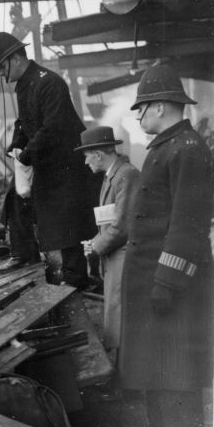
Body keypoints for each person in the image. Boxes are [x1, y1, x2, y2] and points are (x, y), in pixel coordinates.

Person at [119, 64, 214, 427]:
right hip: (155, 283)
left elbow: (187, 223)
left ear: (158, 106)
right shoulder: (171, 145)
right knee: (159, 370)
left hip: (172, 286)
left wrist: (168, 281)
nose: (138, 118)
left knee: (177, 373)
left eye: (141, 110)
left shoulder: (186, 149)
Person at [0, 32, 97, 286]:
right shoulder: (25, 85)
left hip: (66, 165)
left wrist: (26, 155)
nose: (2, 74)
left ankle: (75, 279)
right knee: (15, 200)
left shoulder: (50, 83)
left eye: (1, 67)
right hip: (47, 160)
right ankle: (24, 254)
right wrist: (16, 144)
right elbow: (23, 122)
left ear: (14, 59)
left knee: (68, 222)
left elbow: (53, 127)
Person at [75, 126, 139, 361]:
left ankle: (126, 381)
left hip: (123, 258)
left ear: (98, 154)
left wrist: (95, 245)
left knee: (122, 319)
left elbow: (122, 226)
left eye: (86, 156)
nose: (85, 162)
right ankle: (122, 377)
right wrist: (95, 242)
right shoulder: (114, 175)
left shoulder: (125, 175)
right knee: (117, 318)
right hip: (114, 257)